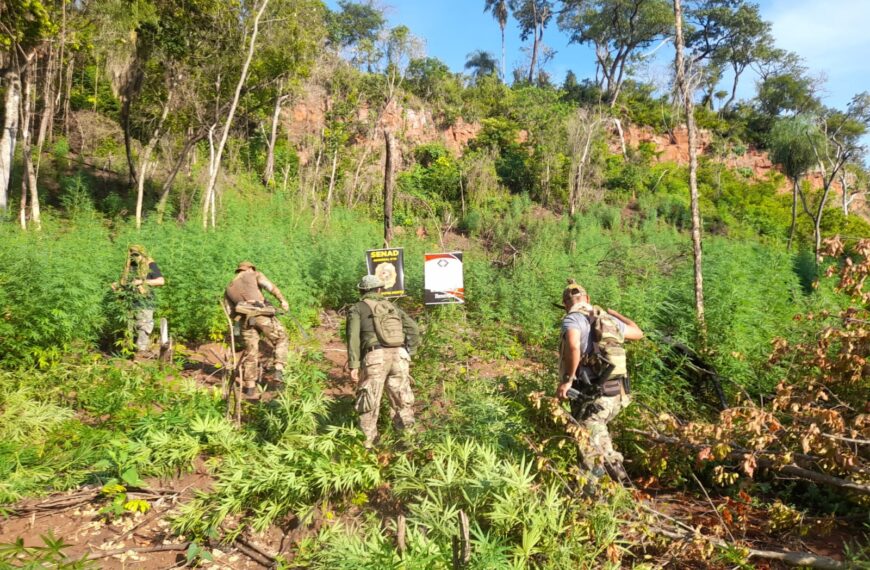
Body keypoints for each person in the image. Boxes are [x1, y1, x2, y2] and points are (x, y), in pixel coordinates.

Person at [556, 279, 643, 484]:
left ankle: (595, 493)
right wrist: (615, 314)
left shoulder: (572, 319)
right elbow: (638, 333)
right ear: (587, 299)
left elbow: (573, 346)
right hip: (617, 395)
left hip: (592, 396)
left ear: (566, 304)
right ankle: (614, 476)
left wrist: (568, 380)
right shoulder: (607, 320)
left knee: (590, 450)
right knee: (596, 437)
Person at [346, 274, 421, 448]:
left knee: (369, 402)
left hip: (375, 357)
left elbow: (352, 337)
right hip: (400, 355)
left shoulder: (357, 308)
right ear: (380, 289)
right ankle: (408, 444)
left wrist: (353, 365)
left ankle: (368, 447)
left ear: (361, 291)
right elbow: (413, 328)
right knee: (402, 400)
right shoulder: (392, 307)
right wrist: (410, 351)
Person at [224, 261, 290, 397]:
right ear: (250, 268)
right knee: (281, 338)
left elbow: (230, 311)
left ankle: (250, 388)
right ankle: (278, 369)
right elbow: (270, 287)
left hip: (244, 321)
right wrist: (282, 300)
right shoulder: (254, 274)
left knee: (250, 353)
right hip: (261, 317)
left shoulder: (229, 287)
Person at [111, 244, 165, 357]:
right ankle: (128, 352)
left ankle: (141, 352)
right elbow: (125, 282)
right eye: (132, 255)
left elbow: (160, 281)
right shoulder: (129, 266)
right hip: (129, 302)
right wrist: (117, 285)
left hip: (145, 301)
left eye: (136, 255)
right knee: (129, 327)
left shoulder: (150, 264)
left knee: (144, 327)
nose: (134, 257)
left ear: (142, 254)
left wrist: (142, 282)